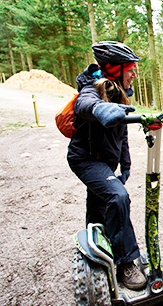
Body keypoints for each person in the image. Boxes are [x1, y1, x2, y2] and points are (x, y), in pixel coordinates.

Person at [67, 41, 146, 290]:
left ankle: (95, 254)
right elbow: (84, 104)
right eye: (131, 68)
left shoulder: (119, 94)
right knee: (118, 197)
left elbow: (121, 135)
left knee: (99, 206)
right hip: (87, 159)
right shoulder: (92, 88)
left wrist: (126, 164)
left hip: (105, 162)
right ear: (115, 68)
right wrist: (101, 108)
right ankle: (125, 262)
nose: (134, 73)